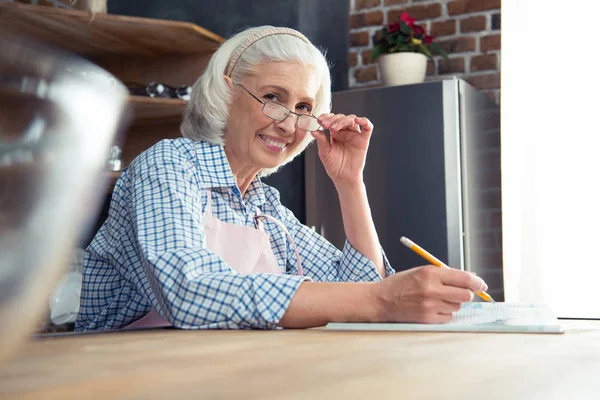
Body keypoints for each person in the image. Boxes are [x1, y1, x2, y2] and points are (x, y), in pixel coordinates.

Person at [75, 26, 488, 331]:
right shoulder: (169, 165)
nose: (290, 125)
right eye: (273, 98)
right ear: (227, 92)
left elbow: (361, 291)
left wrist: (350, 184)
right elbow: (189, 292)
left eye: (304, 107)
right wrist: (381, 300)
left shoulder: (265, 206)